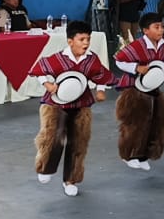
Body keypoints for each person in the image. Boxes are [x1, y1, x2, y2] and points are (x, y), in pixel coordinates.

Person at [29, 20, 115, 197]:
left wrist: (100, 90)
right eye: (81, 39)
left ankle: (70, 180)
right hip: (57, 105)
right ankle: (46, 168)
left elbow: (101, 75)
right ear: (70, 41)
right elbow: (38, 70)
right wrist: (47, 84)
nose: (86, 43)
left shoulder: (91, 60)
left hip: (81, 104)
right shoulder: (58, 59)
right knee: (54, 137)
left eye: (88, 39)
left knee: (78, 141)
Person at [114, 12, 164, 170]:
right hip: (134, 88)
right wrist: (136, 67)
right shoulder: (136, 46)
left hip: (152, 87)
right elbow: (119, 60)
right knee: (136, 122)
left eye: (161, 27)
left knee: (157, 121)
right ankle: (129, 155)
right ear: (145, 30)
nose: (160, 30)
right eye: (156, 27)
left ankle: (143, 155)